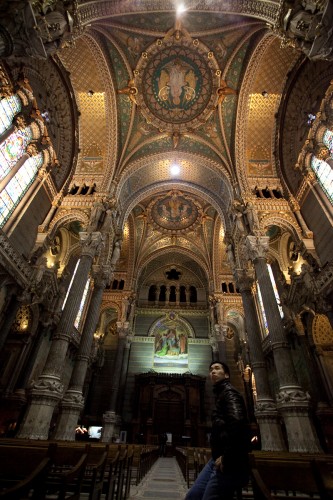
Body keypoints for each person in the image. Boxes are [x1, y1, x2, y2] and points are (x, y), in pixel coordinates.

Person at [185, 361, 250, 500]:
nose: (212, 372)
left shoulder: (230, 393)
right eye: (210, 370)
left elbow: (238, 425)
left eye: (217, 368)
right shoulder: (221, 394)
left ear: (226, 374)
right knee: (193, 496)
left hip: (229, 460)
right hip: (217, 457)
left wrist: (227, 457)